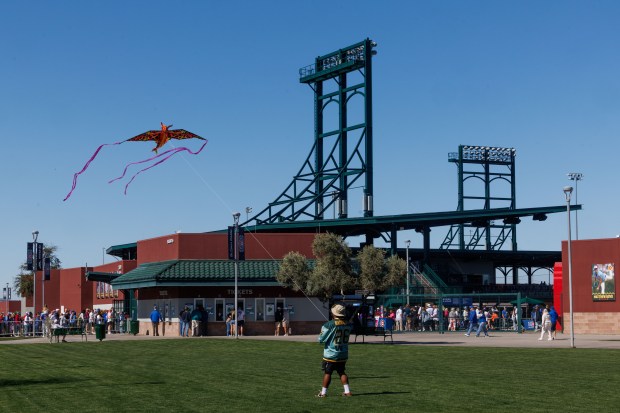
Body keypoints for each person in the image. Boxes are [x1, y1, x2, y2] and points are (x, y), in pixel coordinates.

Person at [317, 304, 353, 398]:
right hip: (343, 353)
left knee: (328, 372)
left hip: (331, 354)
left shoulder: (329, 325)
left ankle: (323, 393)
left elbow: (321, 339)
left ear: (333, 314)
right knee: (342, 372)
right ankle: (347, 391)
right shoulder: (349, 324)